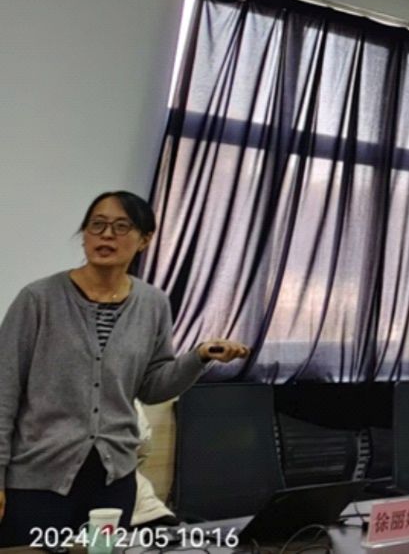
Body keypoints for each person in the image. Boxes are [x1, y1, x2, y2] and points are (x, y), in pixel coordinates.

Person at [0, 191, 248, 545]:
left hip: (112, 483)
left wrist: (199, 357)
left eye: (121, 226)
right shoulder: (38, 299)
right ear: (84, 235)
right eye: (97, 225)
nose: (106, 235)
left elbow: (152, 387)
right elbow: (4, 391)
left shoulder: (153, 304)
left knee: (102, 553)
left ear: (145, 239)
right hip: (37, 482)